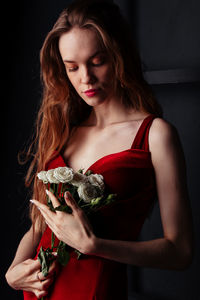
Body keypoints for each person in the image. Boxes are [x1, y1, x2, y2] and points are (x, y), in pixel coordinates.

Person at [5, 0, 193, 299]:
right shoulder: (63, 130)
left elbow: (180, 252)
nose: (85, 79)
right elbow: (39, 225)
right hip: (41, 292)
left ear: (119, 56)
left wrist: (96, 246)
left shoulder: (155, 135)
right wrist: (14, 272)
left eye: (97, 61)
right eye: (73, 67)